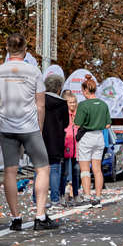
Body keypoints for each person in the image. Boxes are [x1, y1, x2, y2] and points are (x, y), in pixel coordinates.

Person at [0, 33, 58, 230]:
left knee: (10, 171)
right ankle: (40, 216)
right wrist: (39, 130)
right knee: (42, 168)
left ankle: (15, 218)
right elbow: (40, 105)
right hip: (29, 127)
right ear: (25, 50)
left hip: (6, 127)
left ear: (7, 49)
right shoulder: (33, 71)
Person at [74, 75, 111, 208]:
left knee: (85, 169)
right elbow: (107, 125)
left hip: (86, 137)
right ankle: (98, 196)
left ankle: (87, 195)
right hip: (99, 137)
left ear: (85, 90)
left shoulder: (83, 105)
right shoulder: (103, 104)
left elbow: (77, 124)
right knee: (97, 169)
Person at [40, 75, 69, 207]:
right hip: (56, 140)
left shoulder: (39, 100)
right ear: (59, 88)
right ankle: (55, 198)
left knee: (39, 170)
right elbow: (66, 123)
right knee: (54, 170)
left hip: (40, 139)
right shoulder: (62, 104)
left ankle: (37, 198)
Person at [60, 90, 81, 205]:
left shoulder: (78, 114)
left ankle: (76, 194)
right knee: (64, 172)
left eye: (74, 102)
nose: (73, 105)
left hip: (76, 147)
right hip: (66, 145)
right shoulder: (64, 115)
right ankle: (61, 194)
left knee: (76, 171)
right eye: (70, 102)